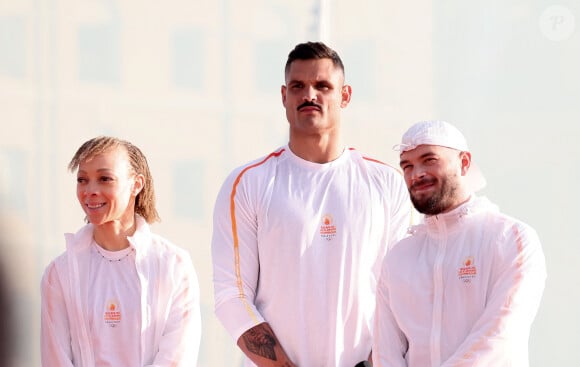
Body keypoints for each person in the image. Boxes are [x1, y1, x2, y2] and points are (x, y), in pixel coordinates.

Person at [211, 41, 412, 367]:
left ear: (344, 96)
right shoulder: (248, 182)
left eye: (322, 86)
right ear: (283, 96)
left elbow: (402, 292)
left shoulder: (386, 183)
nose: (309, 95)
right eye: (298, 86)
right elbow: (231, 296)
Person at [373, 120, 547, 366]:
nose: (416, 174)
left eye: (429, 160)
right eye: (407, 166)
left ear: (464, 163)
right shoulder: (399, 257)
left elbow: (500, 334)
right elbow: (385, 351)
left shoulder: (512, 239)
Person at [40, 136, 201, 366]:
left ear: (136, 184)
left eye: (105, 179)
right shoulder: (59, 274)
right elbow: (55, 358)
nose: (90, 190)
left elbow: (178, 357)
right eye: (82, 180)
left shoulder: (174, 266)